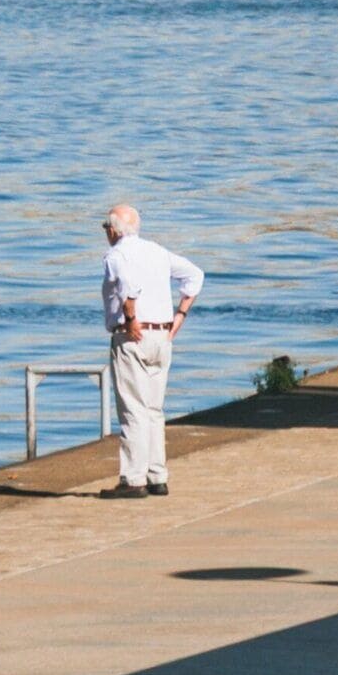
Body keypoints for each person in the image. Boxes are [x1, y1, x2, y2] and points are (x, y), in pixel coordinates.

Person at [98, 203, 203, 499]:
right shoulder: (157, 251)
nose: (106, 232)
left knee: (133, 408)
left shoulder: (116, 254)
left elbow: (128, 286)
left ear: (114, 230)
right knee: (154, 410)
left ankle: (133, 479)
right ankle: (157, 475)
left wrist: (130, 318)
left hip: (133, 335)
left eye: (106, 227)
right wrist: (179, 316)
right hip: (161, 335)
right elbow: (195, 275)